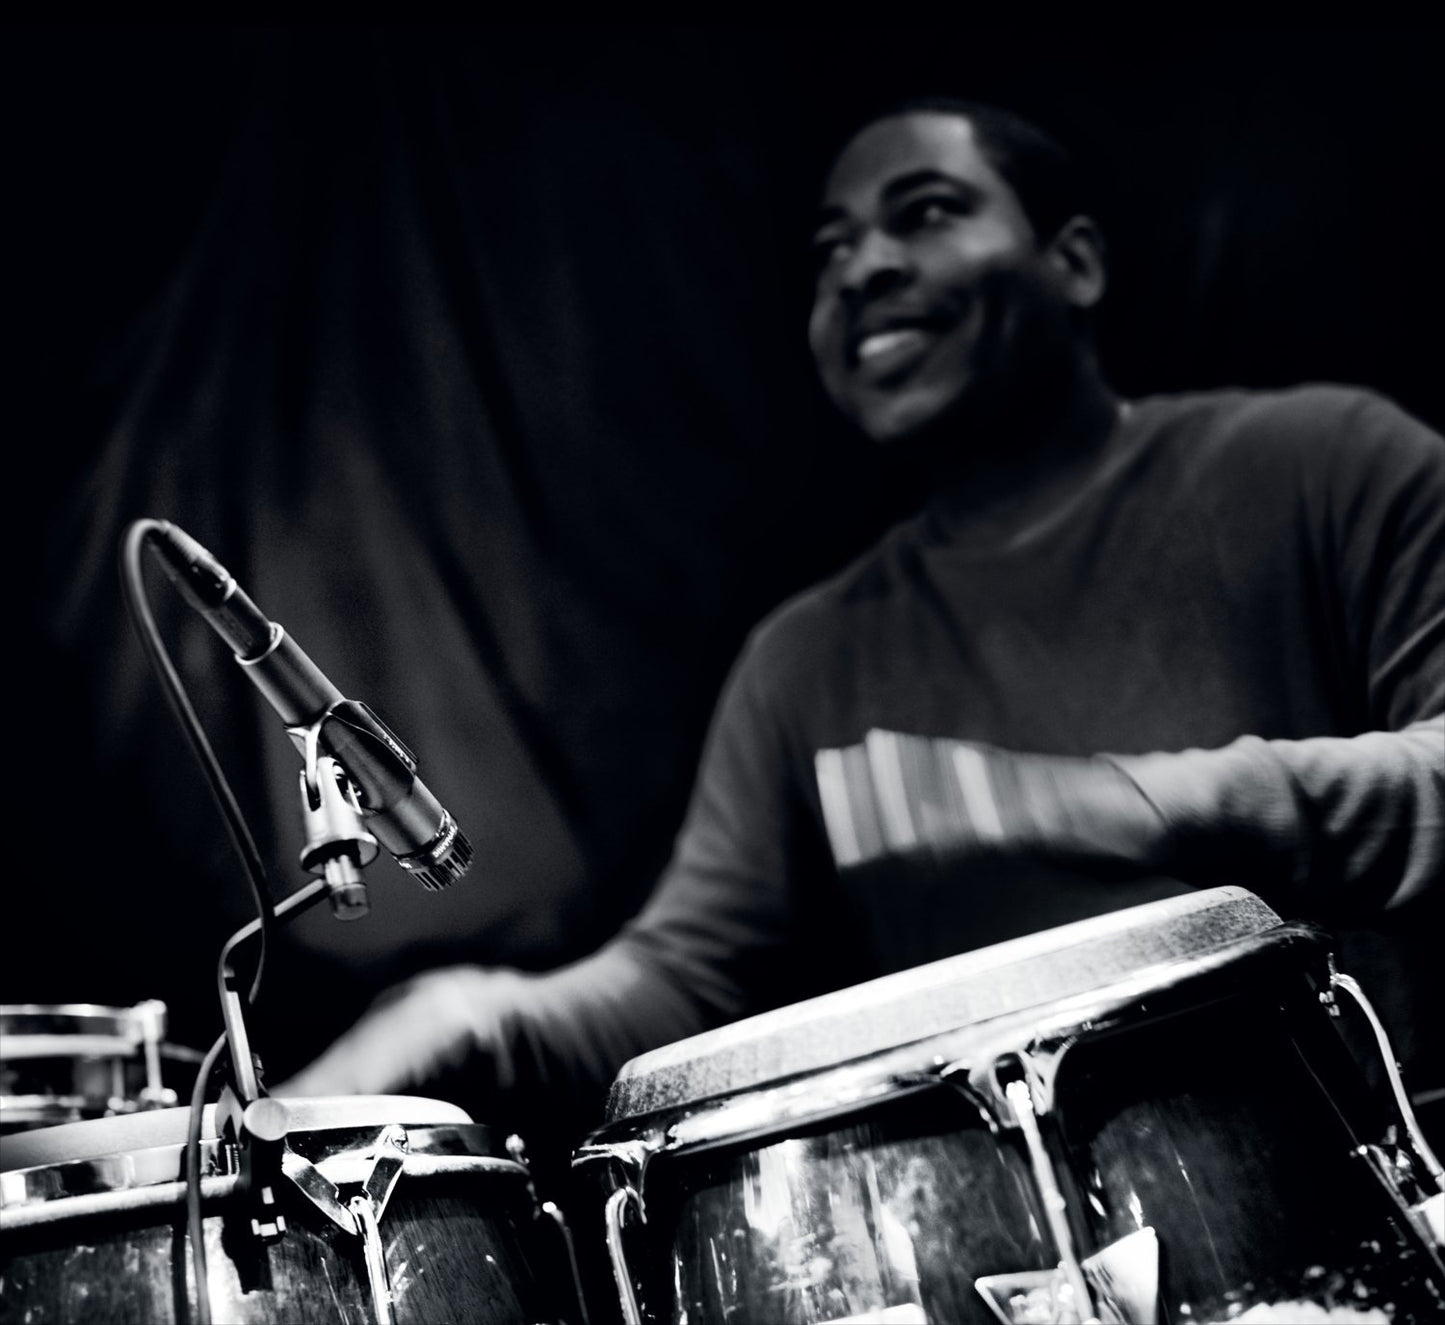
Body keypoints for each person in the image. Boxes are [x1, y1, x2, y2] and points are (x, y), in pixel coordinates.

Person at [281, 98, 1444, 1139]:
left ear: (1075, 262)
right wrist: (468, 1013)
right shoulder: (803, 658)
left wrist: (1127, 801)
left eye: (924, 213)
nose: (860, 270)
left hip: (1373, 1185)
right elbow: (688, 977)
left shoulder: (1327, 462)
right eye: (828, 250)